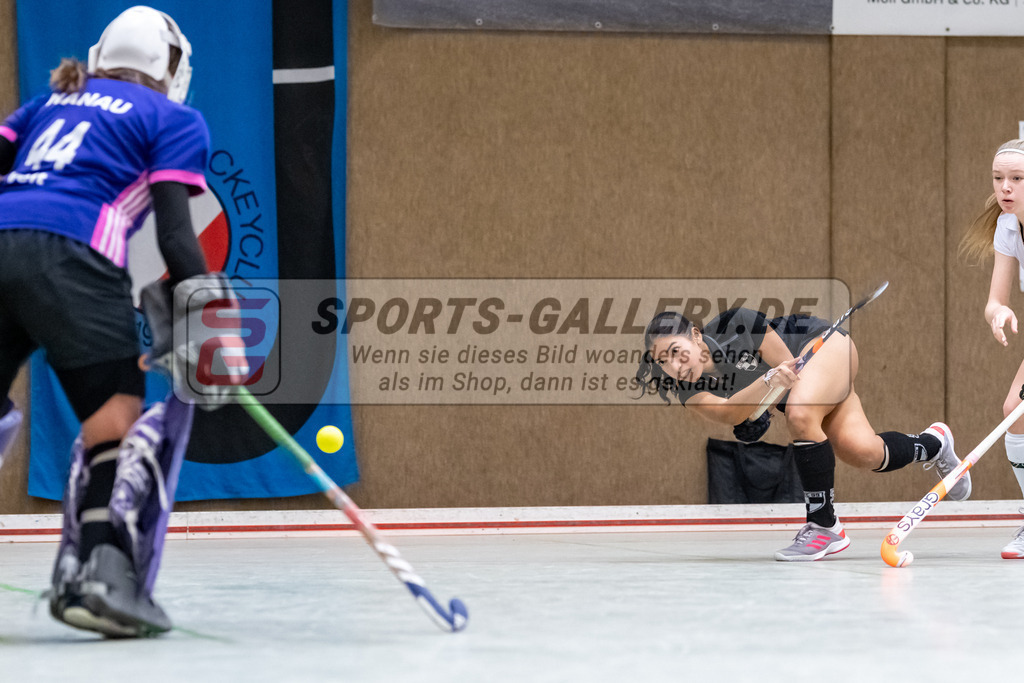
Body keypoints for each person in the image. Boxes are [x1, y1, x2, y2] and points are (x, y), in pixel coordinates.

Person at [0, 6, 216, 636]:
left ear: (100, 57)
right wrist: (200, 319)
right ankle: (103, 574)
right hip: (75, 251)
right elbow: (176, 236)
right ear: (172, 70)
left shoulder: (45, 105)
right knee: (113, 425)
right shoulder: (173, 118)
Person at [634, 306, 970, 561]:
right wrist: (754, 410)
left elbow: (791, 371)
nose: (676, 365)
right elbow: (726, 411)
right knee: (863, 451)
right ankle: (934, 443)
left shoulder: (734, 325)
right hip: (808, 388)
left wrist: (760, 402)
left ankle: (824, 526)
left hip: (824, 348)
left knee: (798, 411)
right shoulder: (681, 389)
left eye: (677, 351)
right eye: (664, 361)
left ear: (695, 335)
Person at [959, 137, 1024, 560]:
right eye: (998, 178)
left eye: (1017, 178)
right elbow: (994, 299)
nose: (1005, 188)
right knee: (1013, 415)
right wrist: (997, 313)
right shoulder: (1007, 226)